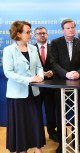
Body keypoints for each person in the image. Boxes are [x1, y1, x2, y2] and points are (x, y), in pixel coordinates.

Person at [2, 21, 45, 153]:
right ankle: (22, 149)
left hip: (34, 92)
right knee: (21, 125)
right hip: (17, 95)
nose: (31, 34)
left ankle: (38, 149)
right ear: (19, 34)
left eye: (30, 31)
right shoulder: (9, 50)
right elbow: (8, 72)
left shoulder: (33, 48)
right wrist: (29, 79)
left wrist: (40, 77)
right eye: (28, 32)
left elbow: (39, 67)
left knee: (36, 122)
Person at [51, 19, 80, 153]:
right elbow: (53, 63)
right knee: (61, 114)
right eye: (68, 28)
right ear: (63, 30)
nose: (71, 30)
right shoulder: (55, 43)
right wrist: (66, 74)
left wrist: (78, 73)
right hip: (60, 83)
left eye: (72, 27)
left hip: (77, 84)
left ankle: (76, 141)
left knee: (78, 114)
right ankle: (62, 144)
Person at [34, 26, 58, 142]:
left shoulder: (53, 47)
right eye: (39, 33)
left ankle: (52, 132)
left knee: (51, 110)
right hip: (36, 86)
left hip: (51, 84)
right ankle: (37, 134)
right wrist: (40, 74)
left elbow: (58, 63)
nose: (42, 35)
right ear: (35, 36)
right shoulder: (30, 48)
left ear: (47, 35)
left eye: (44, 33)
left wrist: (53, 72)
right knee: (36, 111)